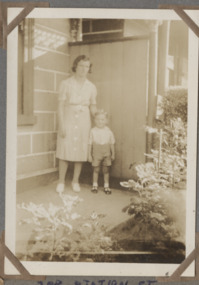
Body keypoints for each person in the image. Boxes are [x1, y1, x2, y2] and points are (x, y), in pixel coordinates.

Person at [56, 55, 97, 193]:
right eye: (81, 66)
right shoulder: (66, 84)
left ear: (89, 69)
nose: (83, 69)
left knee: (81, 149)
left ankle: (75, 181)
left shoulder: (91, 87)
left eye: (86, 66)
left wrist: (97, 116)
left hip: (84, 120)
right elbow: (60, 106)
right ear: (75, 66)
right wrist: (61, 124)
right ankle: (61, 181)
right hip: (68, 117)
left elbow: (92, 106)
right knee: (64, 147)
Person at [88, 110, 115, 194]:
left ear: (106, 121)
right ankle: (95, 185)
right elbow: (90, 144)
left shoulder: (108, 131)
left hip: (106, 152)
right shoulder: (92, 131)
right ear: (94, 120)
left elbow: (111, 143)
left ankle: (106, 186)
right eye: (98, 119)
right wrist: (89, 155)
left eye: (102, 119)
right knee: (96, 169)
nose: (100, 121)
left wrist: (113, 153)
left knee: (106, 170)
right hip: (96, 152)